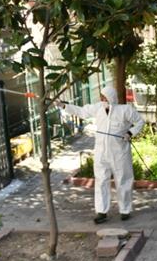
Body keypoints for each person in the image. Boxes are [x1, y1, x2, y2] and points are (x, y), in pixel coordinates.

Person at [59, 85, 143, 223]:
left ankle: (125, 210)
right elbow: (82, 111)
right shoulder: (98, 108)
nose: (102, 99)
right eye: (101, 96)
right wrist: (64, 106)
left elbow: (140, 121)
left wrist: (130, 133)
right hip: (101, 152)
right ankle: (102, 212)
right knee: (101, 181)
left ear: (111, 98)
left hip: (120, 152)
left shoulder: (125, 110)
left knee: (123, 180)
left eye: (104, 97)